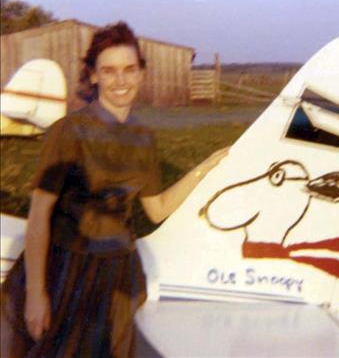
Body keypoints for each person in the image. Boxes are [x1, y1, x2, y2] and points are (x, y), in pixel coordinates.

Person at [0, 21, 228, 357]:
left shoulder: (143, 138)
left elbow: (157, 208)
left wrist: (204, 168)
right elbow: (38, 216)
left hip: (117, 277)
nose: (120, 81)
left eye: (129, 70)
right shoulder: (68, 131)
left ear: (140, 73)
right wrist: (36, 292)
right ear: (93, 76)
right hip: (65, 274)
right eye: (109, 71)